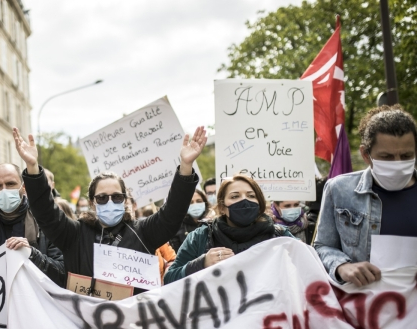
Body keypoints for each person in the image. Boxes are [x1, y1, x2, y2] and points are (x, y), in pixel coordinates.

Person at [14, 126, 206, 294]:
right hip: (87, 328)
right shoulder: (74, 234)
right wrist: (32, 168)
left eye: (116, 197)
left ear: (124, 200)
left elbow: (172, 215)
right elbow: (45, 212)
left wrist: (186, 167)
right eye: (102, 198)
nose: (110, 202)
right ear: (92, 203)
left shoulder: (143, 232)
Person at [314, 105, 416, 287]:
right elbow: (322, 246)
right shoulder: (339, 189)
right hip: (361, 306)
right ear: (366, 154)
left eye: (406, 155)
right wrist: (342, 266)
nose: (398, 164)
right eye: (387, 157)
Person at [164, 175, 293, 284]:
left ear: (259, 204)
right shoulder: (200, 237)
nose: (244, 200)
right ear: (222, 207)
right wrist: (201, 263)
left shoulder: (280, 235)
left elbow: (307, 265)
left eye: (251, 196)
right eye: (235, 197)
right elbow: (170, 278)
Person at [0, 163, 65, 286]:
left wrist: (32, 253)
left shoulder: (46, 221)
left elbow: (63, 272)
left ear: (23, 187)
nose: (4, 190)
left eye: (10, 184)